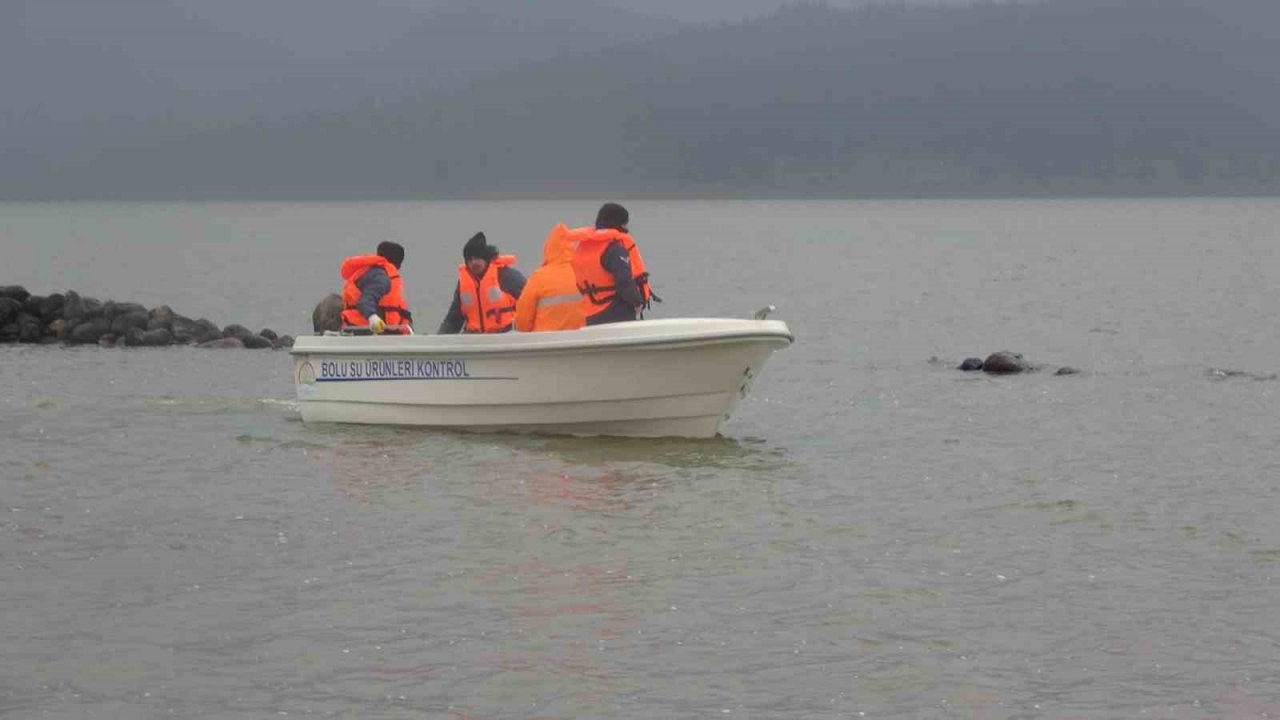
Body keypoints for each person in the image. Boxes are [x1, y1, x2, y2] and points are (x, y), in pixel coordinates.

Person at [568, 202, 653, 325]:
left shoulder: (583, 247)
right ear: (619, 224)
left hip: (590, 314)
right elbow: (624, 282)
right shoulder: (614, 248)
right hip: (615, 312)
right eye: (625, 223)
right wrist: (637, 302)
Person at [437, 232, 526, 334]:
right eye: (469, 260)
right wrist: (438, 340)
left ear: (486, 258)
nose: (473, 263)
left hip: (505, 336)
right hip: (474, 339)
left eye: (477, 258)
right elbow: (453, 320)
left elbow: (529, 305)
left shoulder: (507, 276)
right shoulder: (463, 284)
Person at [514, 224, 585, 332]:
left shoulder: (538, 278)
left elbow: (523, 321)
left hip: (546, 340)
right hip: (582, 338)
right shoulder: (584, 272)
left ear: (548, 248)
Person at [340, 241, 412, 334]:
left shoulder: (372, 272)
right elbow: (365, 300)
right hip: (370, 331)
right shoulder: (381, 278)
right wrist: (372, 318)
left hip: (366, 330)